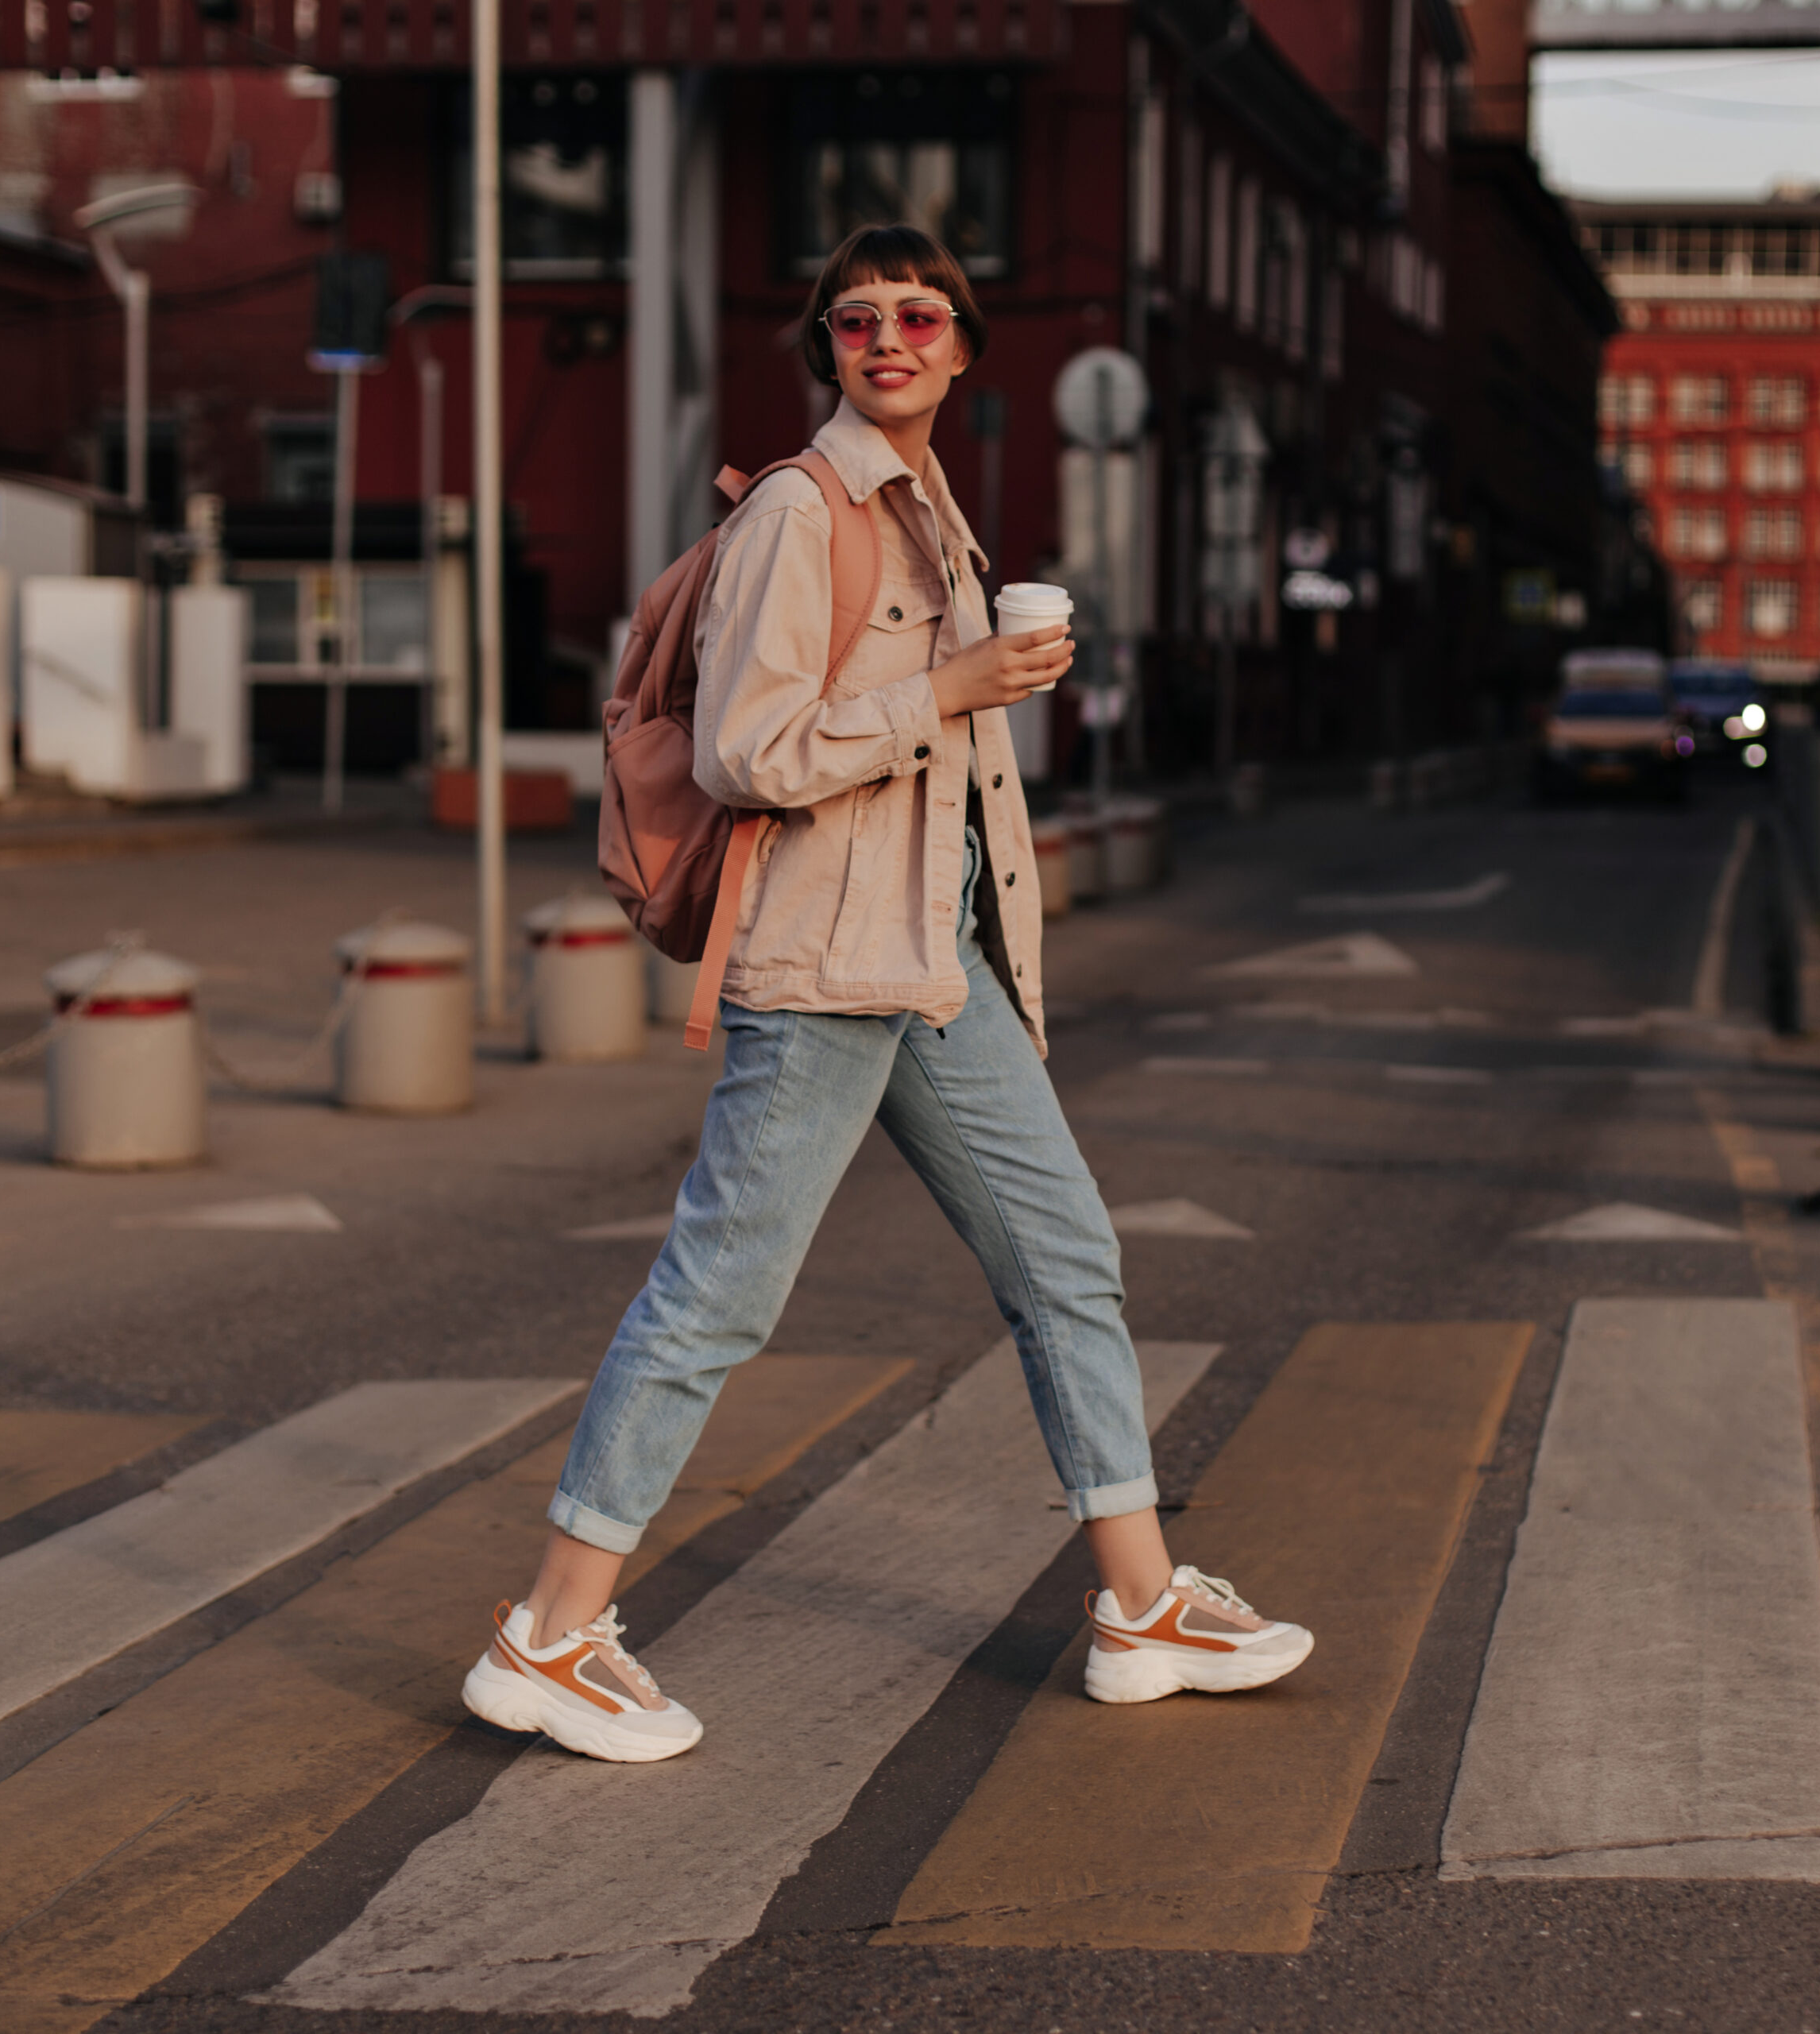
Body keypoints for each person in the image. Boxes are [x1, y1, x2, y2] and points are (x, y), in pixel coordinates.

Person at [459, 224, 1313, 1765]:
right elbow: (745, 748)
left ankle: (1139, 1605)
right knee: (720, 1291)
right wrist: (952, 687)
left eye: (919, 315)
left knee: (1067, 1254)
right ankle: (549, 1631)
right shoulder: (806, 507)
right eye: (857, 321)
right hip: (826, 964)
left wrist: (988, 701)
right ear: (829, 352)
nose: (889, 338)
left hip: (934, 960)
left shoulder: (932, 511)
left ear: (966, 343)